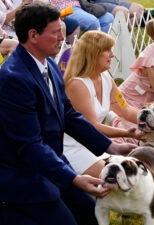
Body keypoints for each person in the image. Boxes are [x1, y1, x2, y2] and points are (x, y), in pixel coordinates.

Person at [0, 2, 136, 225]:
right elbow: (29, 145)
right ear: (33, 35)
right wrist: (73, 178)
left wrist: (109, 146)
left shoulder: (49, 65)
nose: (62, 38)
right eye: (55, 33)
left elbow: (69, 115)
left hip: (51, 167)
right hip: (23, 179)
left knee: (92, 215)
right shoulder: (14, 79)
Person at [63, 30, 145, 177]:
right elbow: (91, 127)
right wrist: (126, 133)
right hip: (74, 148)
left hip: (95, 143)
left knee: (136, 172)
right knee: (122, 177)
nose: (112, 55)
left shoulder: (105, 77)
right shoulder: (77, 84)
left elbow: (125, 109)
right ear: (93, 54)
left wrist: (149, 122)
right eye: (107, 50)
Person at [50, 0, 114, 33]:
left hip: (82, 5)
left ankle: (103, 49)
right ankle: (94, 54)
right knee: (92, 22)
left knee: (108, 18)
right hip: (64, 7)